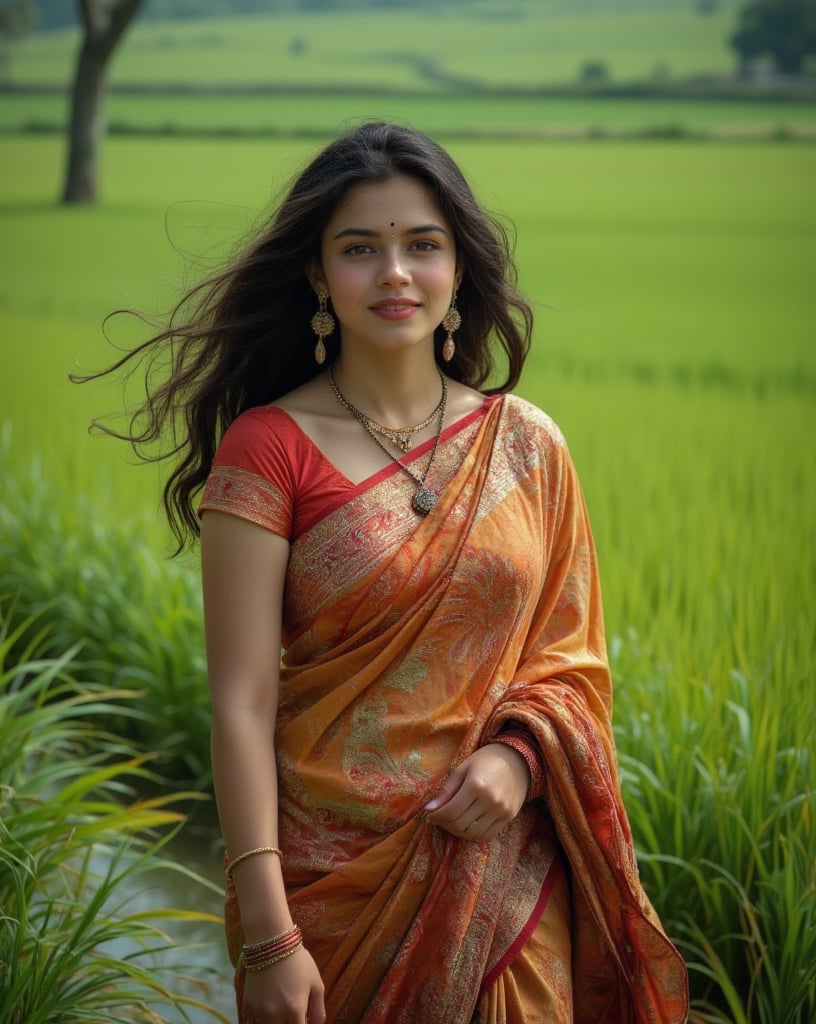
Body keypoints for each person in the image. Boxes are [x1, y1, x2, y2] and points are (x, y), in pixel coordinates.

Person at [88, 122, 688, 1023]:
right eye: (360, 249)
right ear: (317, 276)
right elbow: (241, 704)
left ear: (457, 270)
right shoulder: (268, 451)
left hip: (506, 879)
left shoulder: (525, 446)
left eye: (423, 245)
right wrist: (268, 931)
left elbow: (572, 659)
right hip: (331, 896)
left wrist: (522, 761)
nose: (395, 273)